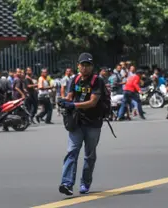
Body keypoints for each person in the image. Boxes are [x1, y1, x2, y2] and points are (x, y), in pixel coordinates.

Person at [58, 52, 107, 195]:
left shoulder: (97, 81)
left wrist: (74, 105)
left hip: (93, 123)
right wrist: (64, 101)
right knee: (71, 152)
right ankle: (66, 183)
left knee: (89, 155)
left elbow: (93, 102)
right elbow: (70, 96)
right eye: (82, 65)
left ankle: (85, 182)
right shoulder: (75, 79)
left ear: (92, 67)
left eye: (88, 65)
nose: (85, 68)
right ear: (78, 66)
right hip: (77, 122)